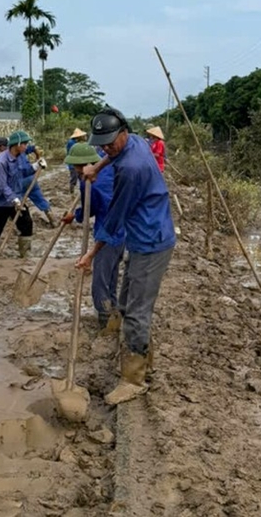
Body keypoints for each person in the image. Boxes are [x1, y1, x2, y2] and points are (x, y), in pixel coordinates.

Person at [77, 106, 175, 405]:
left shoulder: (132, 169)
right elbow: (115, 154)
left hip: (151, 240)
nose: (106, 148)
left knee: (136, 311)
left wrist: (90, 255)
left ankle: (135, 379)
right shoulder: (134, 141)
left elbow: (114, 220)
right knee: (126, 298)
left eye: (110, 142)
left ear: (123, 132)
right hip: (144, 234)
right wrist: (99, 166)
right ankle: (143, 358)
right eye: (101, 143)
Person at [62, 142, 125, 330]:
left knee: (100, 281)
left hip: (108, 234)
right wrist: (76, 216)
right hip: (123, 232)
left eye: (75, 166)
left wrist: (79, 216)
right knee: (111, 276)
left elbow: (96, 208)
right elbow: (92, 207)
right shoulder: (111, 170)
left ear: (82, 165)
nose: (74, 170)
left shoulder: (90, 182)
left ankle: (105, 319)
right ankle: (113, 311)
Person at [0, 130, 39, 258]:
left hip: (17, 197)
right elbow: (2, 185)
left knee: (27, 223)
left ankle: (25, 253)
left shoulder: (20, 156)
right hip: (0, 201)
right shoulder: (1, 162)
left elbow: (23, 172)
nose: (26, 147)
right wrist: (14, 199)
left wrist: (36, 166)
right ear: (17, 144)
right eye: (24, 144)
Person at [0, 135, 55, 227]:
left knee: (15, 202)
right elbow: (33, 148)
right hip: (31, 179)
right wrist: (38, 157)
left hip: (20, 182)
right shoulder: (20, 149)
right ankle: (52, 219)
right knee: (39, 198)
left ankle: (18, 223)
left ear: (3, 146)